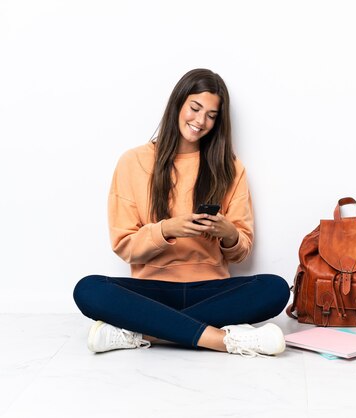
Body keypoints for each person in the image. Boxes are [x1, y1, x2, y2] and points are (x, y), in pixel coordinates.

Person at [73, 68, 290, 357]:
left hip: (211, 289)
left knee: (275, 288)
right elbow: (125, 247)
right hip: (151, 291)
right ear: (178, 103)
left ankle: (141, 333)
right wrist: (167, 229)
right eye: (195, 108)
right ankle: (225, 340)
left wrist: (229, 235)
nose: (201, 121)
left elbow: (240, 252)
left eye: (212, 115)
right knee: (88, 289)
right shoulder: (133, 161)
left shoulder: (230, 168)